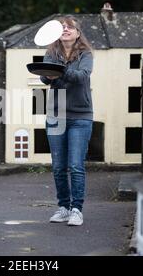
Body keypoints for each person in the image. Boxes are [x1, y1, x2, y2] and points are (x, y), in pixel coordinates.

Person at [40, 16, 93, 226]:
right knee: (59, 167)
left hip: (81, 116)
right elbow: (44, 77)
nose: (66, 29)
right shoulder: (51, 52)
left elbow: (82, 77)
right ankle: (63, 207)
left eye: (70, 27)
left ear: (78, 33)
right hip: (56, 115)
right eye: (62, 27)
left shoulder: (86, 54)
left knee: (76, 165)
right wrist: (50, 74)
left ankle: (76, 210)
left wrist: (59, 71)